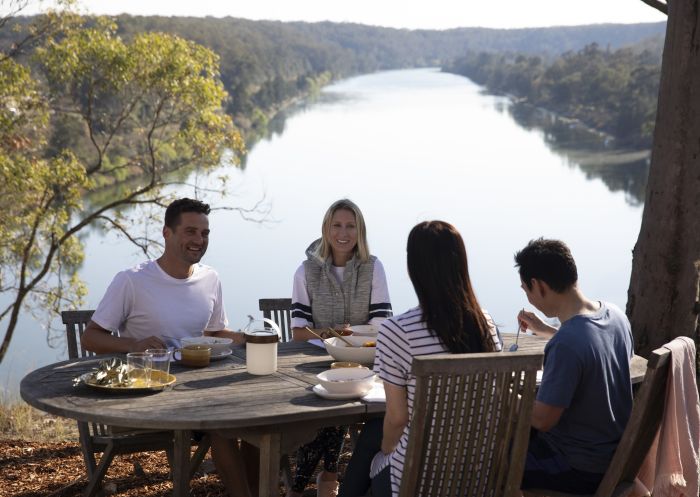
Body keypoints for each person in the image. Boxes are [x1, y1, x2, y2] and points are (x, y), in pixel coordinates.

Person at [81, 197, 255, 497]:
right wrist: (133, 344)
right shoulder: (132, 280)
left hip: (200, 388)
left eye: (204, 233)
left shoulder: (210, 278)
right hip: (149, 396)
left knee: (260, 421)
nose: (199, 240)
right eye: (190, 231)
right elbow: (91, 337)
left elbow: (214, 332)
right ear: (167, 233)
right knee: (223, 426)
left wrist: (247, 338)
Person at [339, 220, 502, 497]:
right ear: (461, 264)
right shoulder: (484, 322)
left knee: (375, 457)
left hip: (418, 479)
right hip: (480, 472)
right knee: (371, 435)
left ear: (413, 267)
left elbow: (398, 419)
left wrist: (386, 456)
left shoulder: (397, 331)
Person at [288, 199, 392, 497]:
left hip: (365, 363)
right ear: (326, 229)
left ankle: (301, 486)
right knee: (333, 405)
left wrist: (349, 336)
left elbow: (382, 324)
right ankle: (327, 481)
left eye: (350, 226)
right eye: (337, 225)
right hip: (314, 362)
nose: (343, 233)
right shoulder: (305, 271)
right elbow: (298, 333)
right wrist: (335, 335)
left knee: (337, 401)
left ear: (360, 231)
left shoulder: (373, 267)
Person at [515, 238, 634, 494]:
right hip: (612, 454)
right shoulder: (615, 316)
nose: (529, 297)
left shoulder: (567, 343)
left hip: (578, 467)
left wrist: (505, 395)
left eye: (526, 289)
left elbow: (543, 420)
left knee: (493, 463)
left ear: (539, 286)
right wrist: (546, 330)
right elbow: (590, 350)